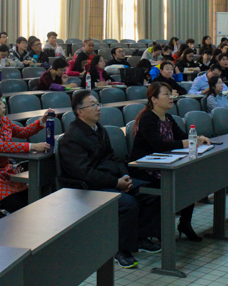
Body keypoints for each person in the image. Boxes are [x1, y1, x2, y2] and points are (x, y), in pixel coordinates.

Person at [59, 90, 161, 268]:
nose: (98, 108)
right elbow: (85, 173)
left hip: (110, 179)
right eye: (93, 105)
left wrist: (124, 176)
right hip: (89, 188)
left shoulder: (99, 129)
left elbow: (113, 157)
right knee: (128, 204)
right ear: (80, 112)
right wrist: (116, 183)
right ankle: (120, 249)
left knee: (151, 192)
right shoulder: (72, 138)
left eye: (98, 104)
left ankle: (141, 237)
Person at [130, 82, 210, 242]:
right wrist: (188, 142)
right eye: (166, 94)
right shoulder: (147, 118)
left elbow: (182, 137)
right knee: (174, 184)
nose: (171, 97)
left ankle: (185, 223)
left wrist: (198, 138)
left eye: (170, 94)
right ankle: (159, 231)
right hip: (145, 169)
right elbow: (159, 145)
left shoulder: (168, 118)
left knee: (190, 181)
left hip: (165, 164)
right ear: (154, 99)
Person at [0, 88, 51, 213]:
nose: (4, 105)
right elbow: (1, 146)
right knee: (16, 205)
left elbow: (23, 132)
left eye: (2, 101)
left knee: (30, 198)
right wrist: (33, 146)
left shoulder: (4, 121)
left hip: (7, 172)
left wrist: (42, 121)